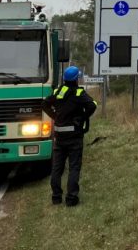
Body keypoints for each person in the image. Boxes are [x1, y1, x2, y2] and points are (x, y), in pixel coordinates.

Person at [43, 65, 97, 207]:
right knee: (74, 167)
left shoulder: (59, 91)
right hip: (74, 137)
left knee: (57, 168)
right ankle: (71, 199)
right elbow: (92, 105)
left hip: (59, 137)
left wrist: (55, 116)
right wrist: (82, 117)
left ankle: (56, 197)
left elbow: (45, 104)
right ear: (76, 79)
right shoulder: (79, 93)